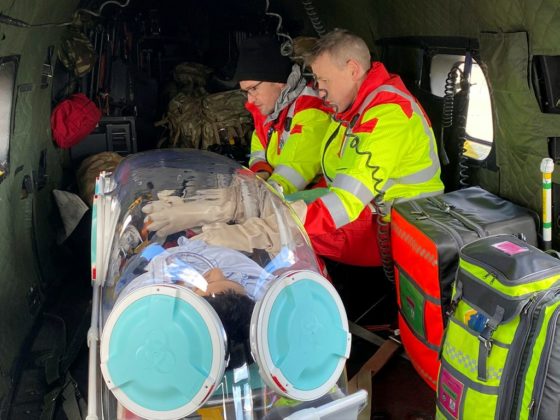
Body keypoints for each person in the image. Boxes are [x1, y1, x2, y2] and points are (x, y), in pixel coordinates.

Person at [290, 28, 445, 266]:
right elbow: (340, 173)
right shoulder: (352, 109)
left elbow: (346, 202)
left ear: (353, 70)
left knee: (291, 234)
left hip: (401, 225)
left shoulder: (388, 115)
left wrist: (280, 226)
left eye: (324, 80)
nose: (319, 89)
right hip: (371, 209)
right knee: (286, 209)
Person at [235, 35, 332, 195]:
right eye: (246, 92)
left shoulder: (311, 111)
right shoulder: (268, 108)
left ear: (279, 81)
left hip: (313, 198)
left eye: (253, 88)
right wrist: (261, 172)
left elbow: (294, 170)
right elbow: (259, 151)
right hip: (283, 193)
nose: (250, 100)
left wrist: (261, 195)